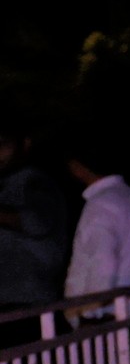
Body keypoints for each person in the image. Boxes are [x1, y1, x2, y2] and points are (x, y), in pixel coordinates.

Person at [62, 136, 130, 316]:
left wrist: (84, 314)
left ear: (77, 167)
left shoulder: (100, 205)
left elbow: (101, 268)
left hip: (112, 316)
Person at [0, 117, 75, 339]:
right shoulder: (6, 184)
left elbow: (37, 222)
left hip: (31, 308)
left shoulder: (36, 182)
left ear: (25, 144)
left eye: (3, 144)